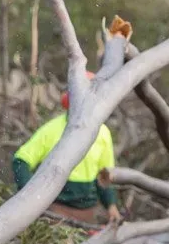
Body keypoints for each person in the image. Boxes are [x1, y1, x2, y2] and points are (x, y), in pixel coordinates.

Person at [11, 81, 122, 225]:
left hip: (87, 213)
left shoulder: (103, 134)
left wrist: (111, 206)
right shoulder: (51, 130)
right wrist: (30, 196)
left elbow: (105, 177)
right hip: (54, 209)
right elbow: (20, 160)